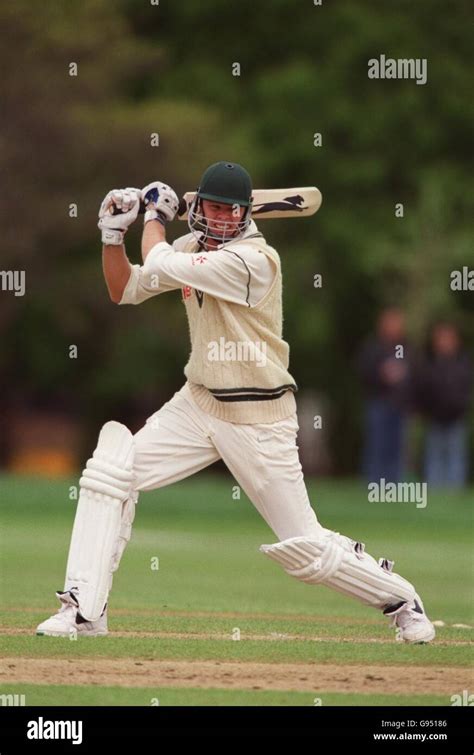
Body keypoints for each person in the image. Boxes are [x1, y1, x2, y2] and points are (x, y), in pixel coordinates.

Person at [36, 162, 435, 643]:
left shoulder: (254, 260)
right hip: (198, 403)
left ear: (246, 214)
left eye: (232, 211)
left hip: (259, 416)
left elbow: (161, 262)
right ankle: (82, 611)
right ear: (199, 207)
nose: (222, 219)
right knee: (111, 473)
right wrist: (111, 236)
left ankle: (401, 599)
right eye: (214, 208)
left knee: (305, 549)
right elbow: (125, 289)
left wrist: (155, 217)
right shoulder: (190, 246)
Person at [357, 308, 412, 483]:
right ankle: (374, 482)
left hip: (400, 404)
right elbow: (362, 371)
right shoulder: (373, 347)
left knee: (396, 446)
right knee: (377, 445)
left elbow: (416, 372)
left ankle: (394, 483)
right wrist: (381, 374)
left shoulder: (406, 347)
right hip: (378, 403)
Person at [415, 320, 472, 487]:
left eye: (448, 339)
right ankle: (434, 489)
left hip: (456, 418)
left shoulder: (463, 364)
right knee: (434, 456)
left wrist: (460, 407)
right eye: (441, 339)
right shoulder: (429, 364)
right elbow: (423, 390)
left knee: (456, 456)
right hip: (435, 418)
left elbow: (465, 390)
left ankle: (454, 490)